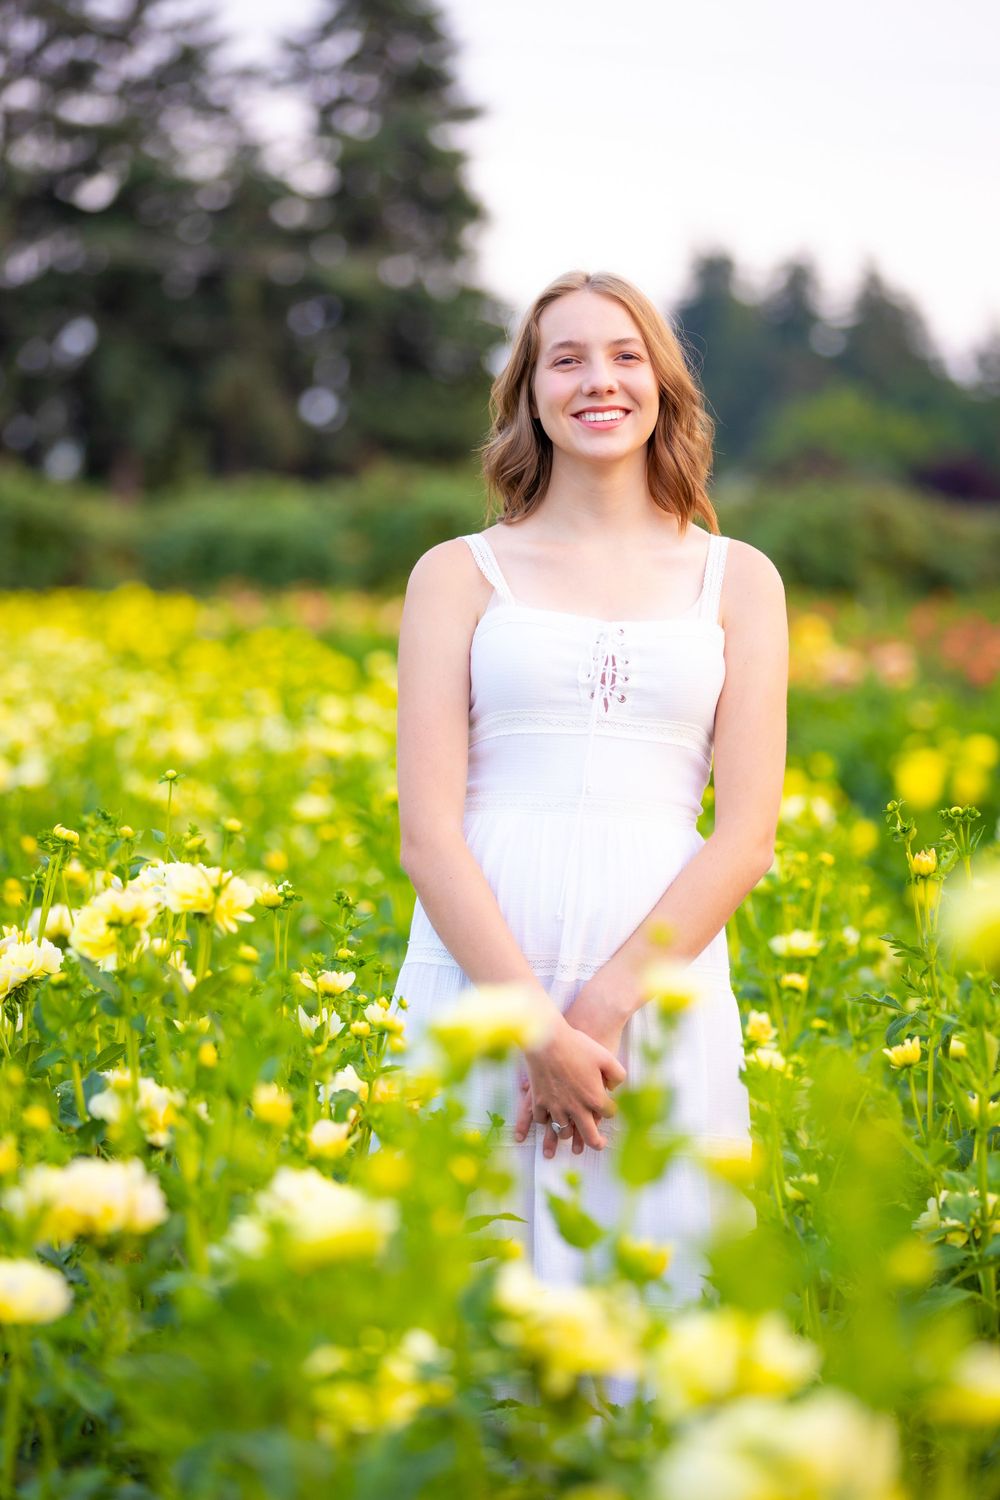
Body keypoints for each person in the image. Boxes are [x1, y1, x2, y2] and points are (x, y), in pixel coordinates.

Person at [390, 268, 788, 1310]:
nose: (596, 380)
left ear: (660, 383)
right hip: (478, 977)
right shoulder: (457, 573)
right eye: (564, 359)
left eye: (623, 355)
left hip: (654, 986)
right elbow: (428, 834)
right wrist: (532, 1028)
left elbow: (744, 835)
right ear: (528, 393)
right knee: (467, 1292)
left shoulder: (739, 579)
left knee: (650, 1293)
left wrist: (595, 1019)